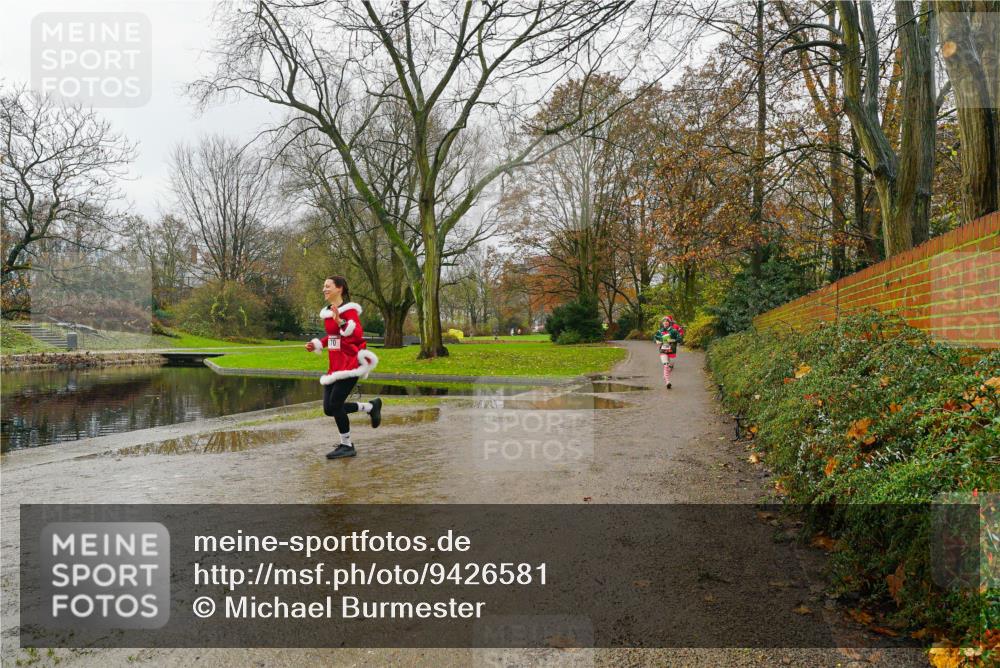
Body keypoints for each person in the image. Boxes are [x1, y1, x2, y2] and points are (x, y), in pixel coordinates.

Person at [305, 276, 382, 459]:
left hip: (350, 364)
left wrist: (341, 321)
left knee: (335, 404)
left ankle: (346, 445)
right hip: (335, 366)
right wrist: (317, 344)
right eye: (323, 286)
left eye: (328, 286)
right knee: (329, 409)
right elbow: (334, 337)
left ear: (339, 289)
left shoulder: (349, 311)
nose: (324, 289)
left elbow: (356, 334)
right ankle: (370, 407)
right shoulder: (328, 312)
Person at [653, 315, 685, 389]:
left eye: (667, 321)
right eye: (664, 321)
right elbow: (654, 338)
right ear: (662, 323)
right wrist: (657, 341)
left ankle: (665, 375)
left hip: (671, 351)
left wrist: (672, 340)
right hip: (663, 350)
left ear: (669, 323)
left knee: (669, 367)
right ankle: (667, 382)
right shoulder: (659, 331)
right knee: (666, 364)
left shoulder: (673, 331)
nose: (665, 322)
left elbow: (680, 339)